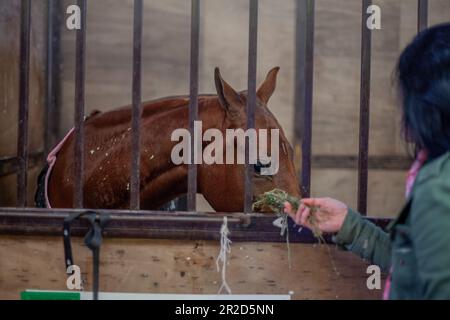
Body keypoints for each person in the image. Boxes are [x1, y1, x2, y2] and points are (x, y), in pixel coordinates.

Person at [284, 23, 450, 300]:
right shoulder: (433, 171)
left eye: (405, 96)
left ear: (428, 103)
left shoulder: (439, 186)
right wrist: (351, 224)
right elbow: (411, 266)